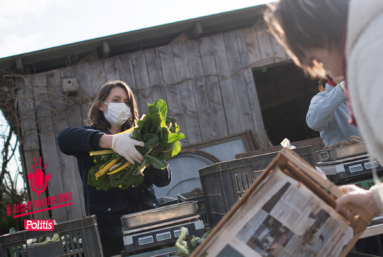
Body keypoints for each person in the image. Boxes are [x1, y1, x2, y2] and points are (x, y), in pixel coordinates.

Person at [264, 0, 383, 253]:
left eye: (318, 59)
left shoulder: (369, 58)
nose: (327, 69)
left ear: (320, 32)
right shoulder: (323, 99)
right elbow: (314, 121)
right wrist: (374, 200)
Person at [58, 80, 172, 256]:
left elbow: (164, 179)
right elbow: (63, 139)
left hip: (147, 226)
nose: (122, 105)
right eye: (116, 100)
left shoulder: (141, 137)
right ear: (101, 106)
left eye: (127, 102)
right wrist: (112, 142)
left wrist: (147, 159)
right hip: (111, 237)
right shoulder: (89, 139)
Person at [306, 76, 361, 147]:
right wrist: (341, 89)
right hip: (345, 156)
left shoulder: (362, 94)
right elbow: (313, 123)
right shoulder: (320, 98)